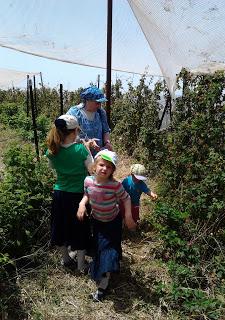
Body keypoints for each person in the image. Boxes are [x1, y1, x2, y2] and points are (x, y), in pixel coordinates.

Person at [77, 150, 136, 302]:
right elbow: (86, 194)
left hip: (112, 223)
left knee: (107, 250)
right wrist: (82, 204)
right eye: (102, 165)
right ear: (94, 166)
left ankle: (103, 286)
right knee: (99, 248)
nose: (104, 169)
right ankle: (102, 270)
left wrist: (128, 216)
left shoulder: (115, 186)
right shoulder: (88, 181)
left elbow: (127, 198)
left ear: (112, 170)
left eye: (109, 167)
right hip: (97, 221)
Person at [46, 114, 94, 272]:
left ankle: (65, 259)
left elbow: (52, 168)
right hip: (78, 196)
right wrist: (87, 147)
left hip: (59, 194)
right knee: (80, 229)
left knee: (60, 226)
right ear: (74, 132)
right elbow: (92, 169)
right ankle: (81, 265)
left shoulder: (52, 150)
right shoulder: (80, 149)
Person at [66, 86, 112, 154]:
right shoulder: (74, 113)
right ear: (88, 100)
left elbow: (106, 131)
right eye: (97, 103)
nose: (99, 106)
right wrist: (87, 143)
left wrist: (107, 143)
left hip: (98, 156)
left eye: (100, 103)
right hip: (80, 155)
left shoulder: (101, 113)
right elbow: (67, 134)